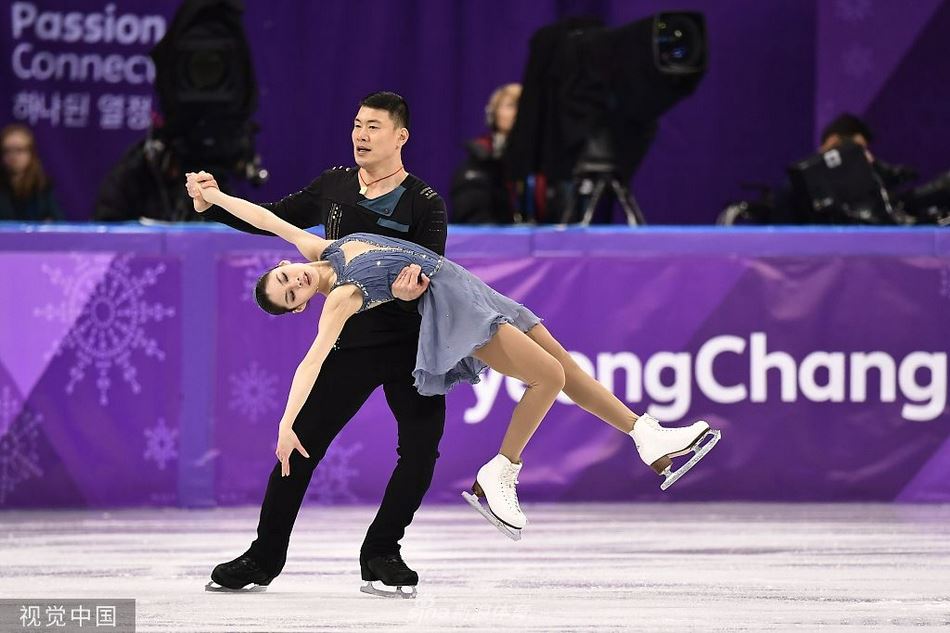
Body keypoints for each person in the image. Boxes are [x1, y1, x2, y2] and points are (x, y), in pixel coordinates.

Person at [188, 168, 722, 542]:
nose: (294, 283)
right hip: (451, 311)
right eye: (290, 296)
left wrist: (214, 198)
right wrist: (287, 424)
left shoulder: (319, 249)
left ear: (286, 266)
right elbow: (312, 363)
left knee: (563, 365)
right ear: (301, 306)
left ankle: (646, 436)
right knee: (548, 377)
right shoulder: (341, 299)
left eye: (285, 279)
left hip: (467, 286)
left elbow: (266, 219)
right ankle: (501, 472)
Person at [192, 92, 447, 599]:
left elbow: (432, 274)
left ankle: (382, 551)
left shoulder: (425, 203)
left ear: (400, 136)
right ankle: (264, 556)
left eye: (373, 126)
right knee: (298, 445)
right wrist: (213, 201)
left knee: (420, 452)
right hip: (351, 341)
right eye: (357, 124)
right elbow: (272, 217)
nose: (361, 135)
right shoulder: (335, 185)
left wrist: (409, 292)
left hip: (412, 343)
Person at [450, 83, 522, 224]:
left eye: (523, 106)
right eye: (511, 105)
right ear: (493, 114)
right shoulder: (480, 160)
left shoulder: (546, 163)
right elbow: (472, 217)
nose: (518, 112)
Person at [0, 123, 62, 222]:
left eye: (19, 150)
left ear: (31, 153)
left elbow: (56, 221)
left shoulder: (42, 185)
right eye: (7, 150)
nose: (13, 156)